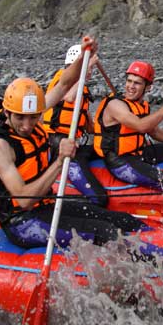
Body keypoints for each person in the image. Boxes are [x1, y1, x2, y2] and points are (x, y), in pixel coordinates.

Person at [0, 37, 163, 272]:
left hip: (46, 208)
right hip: (22, 222)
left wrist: (84, 57)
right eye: (21, 119)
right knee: (106, 232)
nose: (28, 125)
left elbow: (63, 84)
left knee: (122, 219)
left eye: (33, 117)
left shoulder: (31, 115)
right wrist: (61, 160)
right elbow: (24, 200)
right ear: (7, 113)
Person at [93, 60, 163, 217]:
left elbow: (155, 133)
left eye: (137, 83)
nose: (131, 86)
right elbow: (141, 126)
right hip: (120, 162)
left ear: (148, 87)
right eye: (129, 81)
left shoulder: (142, 105)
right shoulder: (115, 105)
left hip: (138, 153)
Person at [42, 44, 107, 206]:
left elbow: (89, 127)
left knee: (106, 148)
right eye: (87, 69)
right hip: (58, 144)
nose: (91, 73)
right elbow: (69, 97)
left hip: (74, 144)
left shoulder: (82, 90)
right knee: (99, 198)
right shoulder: (62, 79)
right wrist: (87, 67)